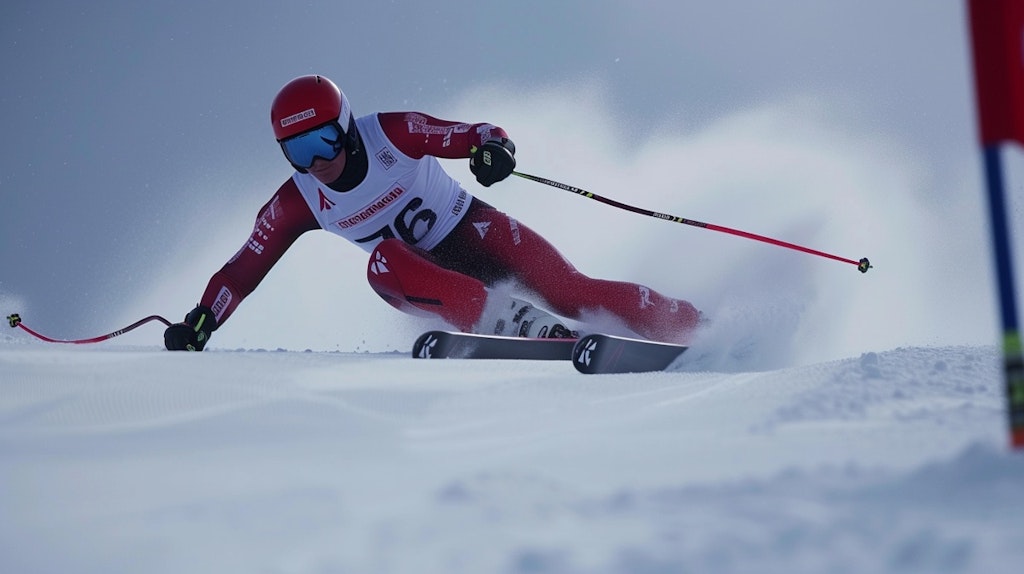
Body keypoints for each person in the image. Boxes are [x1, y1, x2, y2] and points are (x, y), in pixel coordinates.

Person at [163, 75, 701, 351]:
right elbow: (240, 271)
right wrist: (202, 320)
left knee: (573, 292)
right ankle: (508, 324)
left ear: (346, 126)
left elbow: (478, 134)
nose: (319, 161)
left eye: (324, 140)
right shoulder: (295, 201)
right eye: (299, 152)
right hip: (424, 280)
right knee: (382, 260)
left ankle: (695, 325)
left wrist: (495, 151)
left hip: (477, 232)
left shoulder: (393, 133)